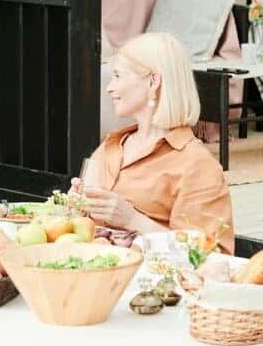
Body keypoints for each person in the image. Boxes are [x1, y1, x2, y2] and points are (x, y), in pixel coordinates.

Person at [71, 32, 234, 253]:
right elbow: (82, 225)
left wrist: (133, 219)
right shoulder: (113, 144)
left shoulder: (196, 165)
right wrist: (75, 208)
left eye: (118, 76)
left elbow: (211, 256)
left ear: (153, 81)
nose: (110, 87)